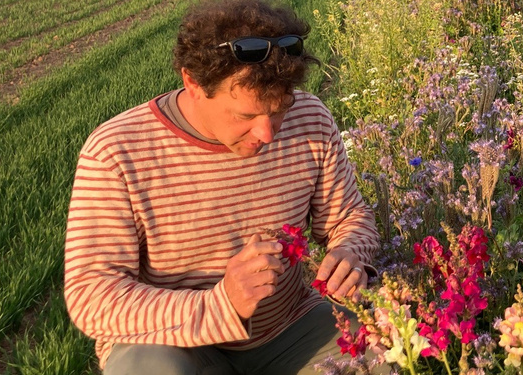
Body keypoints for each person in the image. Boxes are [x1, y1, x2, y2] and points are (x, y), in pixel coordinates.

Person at [63, 1, 378, 373]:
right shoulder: (116, 152)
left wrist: (351, 253)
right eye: (246, 115)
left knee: (381, 354)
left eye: (278, 110)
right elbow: (92, 295)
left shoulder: (310, 118)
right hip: (174, 344)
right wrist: (221, 304)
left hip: (290, 327)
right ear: (193, 83)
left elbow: (349, 216)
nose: (266, 133)